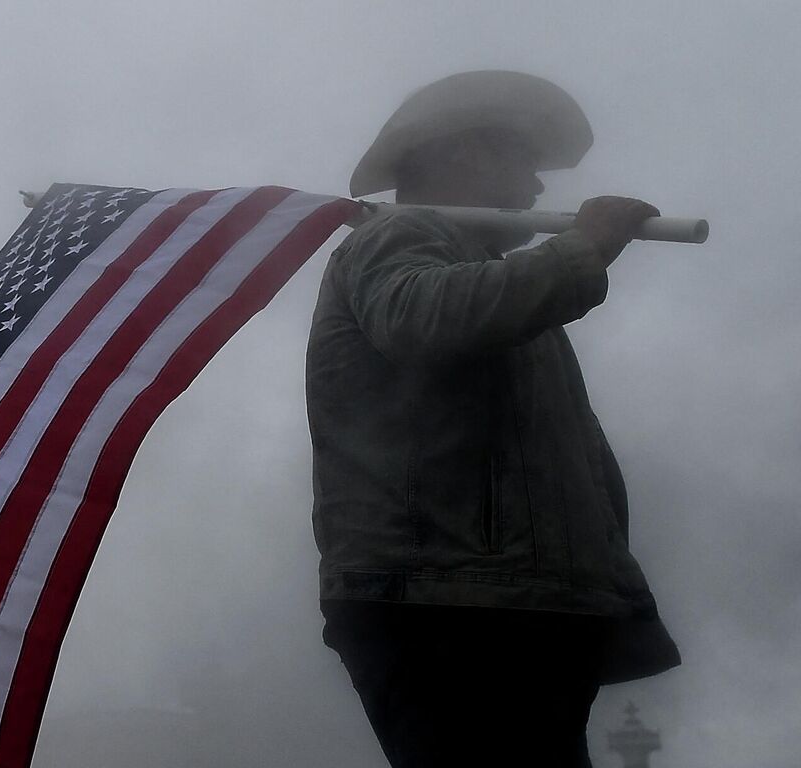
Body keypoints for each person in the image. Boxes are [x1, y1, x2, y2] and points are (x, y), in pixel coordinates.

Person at [307, 70, 681, 767]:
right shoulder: (402, 235)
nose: (537, 187)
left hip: (505, 601)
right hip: (450, 604)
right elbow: (418, 318)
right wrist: (582, 248)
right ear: (464, 151)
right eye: (523, 158)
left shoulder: (490, 279)